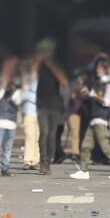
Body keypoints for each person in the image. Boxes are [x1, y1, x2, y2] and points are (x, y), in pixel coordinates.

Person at [73, 56, 110, 180]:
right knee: (86, 145)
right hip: (94, 120)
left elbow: (107, 102)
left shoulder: (109, 86)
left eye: (100, 68)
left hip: (101, 120)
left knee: (105, 146)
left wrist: (92, 94)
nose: (97, 70)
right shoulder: (98, 85)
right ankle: (84, 170)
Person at [32, 39, 68, 176]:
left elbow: (63, 81)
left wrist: (50, 65)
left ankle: (48, 161)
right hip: (42, 105)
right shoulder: (39, 66)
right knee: (44, 133)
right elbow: (32, 71)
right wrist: (38, 60)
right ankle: (42, 160)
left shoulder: (56, 65)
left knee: (52, 136)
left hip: (54, 106)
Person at [0, 58, 24, 177]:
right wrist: (2, 89)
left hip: (11, 121)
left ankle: (5, 169)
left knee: (8, 148)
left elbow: (19, 101)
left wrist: (13, 91)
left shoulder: (16, 85)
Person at [20, 57, 41, 170]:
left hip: (39, 112)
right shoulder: (27, 80)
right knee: (29, 136)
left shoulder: (41, 80)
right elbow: (24, 95)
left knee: (37, 137)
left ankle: (35, 161)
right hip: (29, 111)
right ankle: (28, 161)